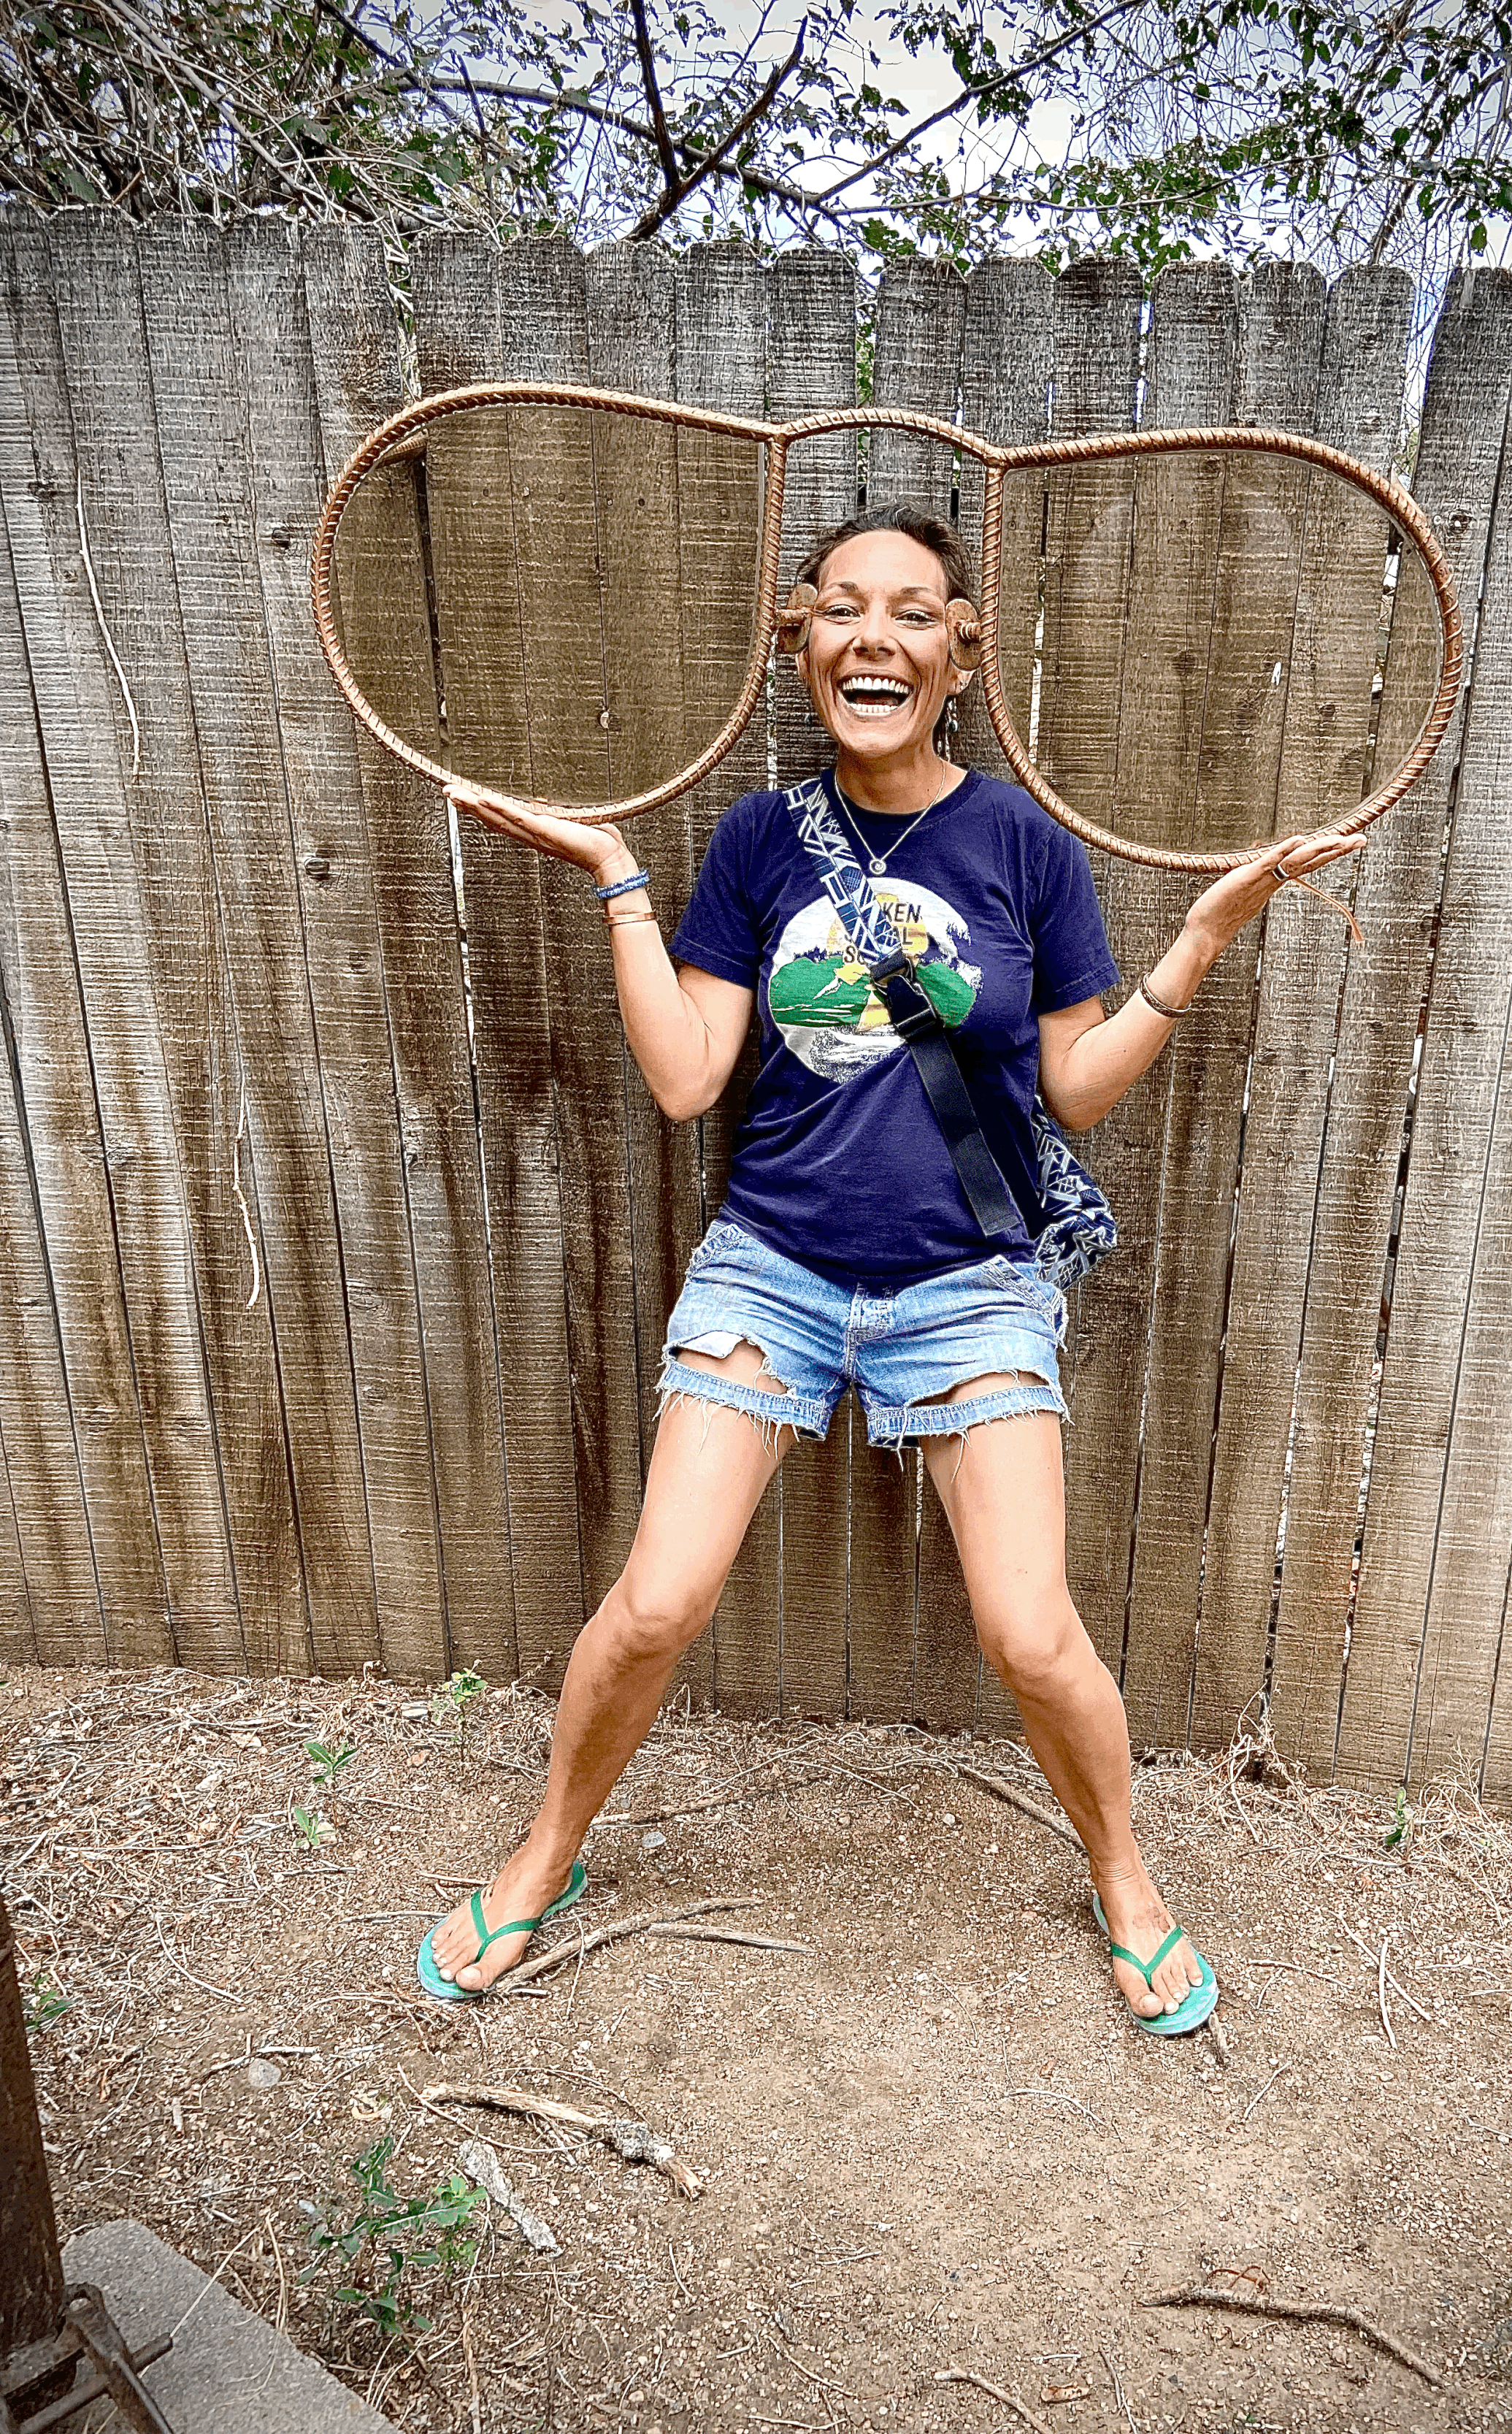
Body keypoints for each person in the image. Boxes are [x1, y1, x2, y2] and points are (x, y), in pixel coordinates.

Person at [421, 502, 1360, 2030]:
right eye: (842, 608)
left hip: (967, 1285)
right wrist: (612, 875)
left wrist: (1195, 940)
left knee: (1028, 1631)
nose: (876, 636)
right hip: (770, 1268)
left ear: (957, 649)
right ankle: (545, 1853)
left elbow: (1073, 1086)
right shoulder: (749, 841)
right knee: (655, 1604)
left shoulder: (1022, 851)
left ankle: (1121, 1871)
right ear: (798, 642)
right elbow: (684, 1078)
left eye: (911, 611)